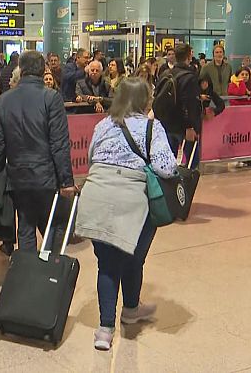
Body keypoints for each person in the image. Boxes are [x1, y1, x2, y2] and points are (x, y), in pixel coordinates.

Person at [75, 78, 177, 351]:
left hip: (96, 193)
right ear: (145, 100)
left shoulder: (103, 124)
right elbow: (167, 168)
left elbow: (91, 156)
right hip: (132, 200)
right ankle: (130, 309)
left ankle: (104, 330)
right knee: (133, 258)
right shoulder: (151, 127)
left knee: (106, 264)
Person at [0, 50, 76, 252]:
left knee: (26, 228)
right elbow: (59, 143)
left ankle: (27, 274)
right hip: (46, 176)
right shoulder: (52, 98)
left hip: (17, 177)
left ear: (21, 69)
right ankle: (49, 274)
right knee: (52, 228)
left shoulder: (3, 101)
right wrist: (66, 181)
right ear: (42, 69)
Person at [154, 43, 202, 157]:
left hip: (165, 122)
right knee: (191, 161)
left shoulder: (165, 74)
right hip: (182, 126)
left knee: (168, 160)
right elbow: (190, 104)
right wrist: (191, 126)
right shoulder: (189, 77)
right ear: (189, 56)